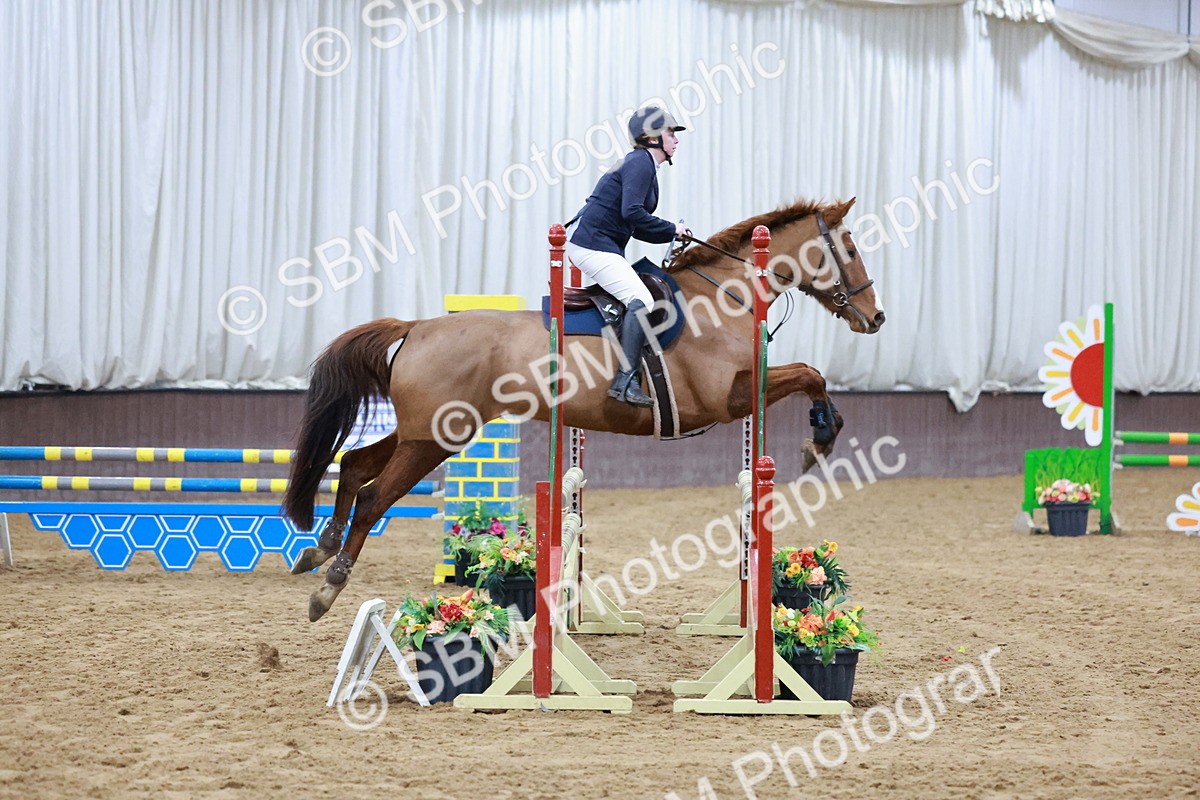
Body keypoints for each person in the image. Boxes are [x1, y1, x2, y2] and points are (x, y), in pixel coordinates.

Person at [565, 106, 689, 408]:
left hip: (600, 244)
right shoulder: (640, 163)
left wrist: (673, 233)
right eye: (671, 132)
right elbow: (632, 212)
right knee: (643, 299)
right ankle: (624, 380)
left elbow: (634, 224)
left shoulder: (644, 165)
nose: (676, 139)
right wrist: (672, 227)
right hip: (593, 245)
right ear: (652, 137)